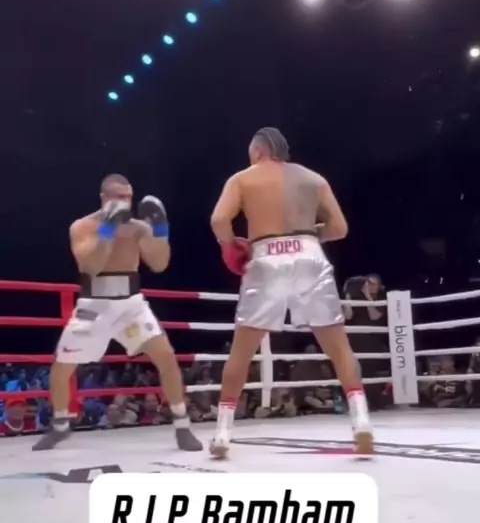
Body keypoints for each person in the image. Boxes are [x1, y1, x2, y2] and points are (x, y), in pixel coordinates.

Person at [209, 127, 373, 458]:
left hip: (266, 256)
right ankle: (362, 424)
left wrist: (230, 245)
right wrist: (306, 235)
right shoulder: (314, 178)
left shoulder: (242, 179)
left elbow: (218, 220)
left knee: (242, 350)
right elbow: (339, 228)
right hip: (310, 255)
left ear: (258, 151)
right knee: (339, 348)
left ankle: (223, 435)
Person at [33, 173, 202, 451]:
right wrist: (108, 231)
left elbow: (159, 264)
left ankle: (182, 426)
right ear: (104, 198)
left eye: (128, 197)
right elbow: (90, 267)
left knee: (166, 356)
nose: (126, 202)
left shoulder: (137, 228)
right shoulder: (83, 226)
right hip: (93, 306)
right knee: (61, 368)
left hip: (131, 305)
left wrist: (161, 232)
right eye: (119, 197)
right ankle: (61, 425)